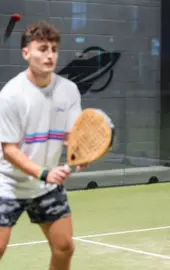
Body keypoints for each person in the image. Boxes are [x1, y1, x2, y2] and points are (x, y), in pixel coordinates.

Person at [0, 21, 86, 269]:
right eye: (42, 49)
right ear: (26, 53)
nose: (50, 55)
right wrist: (44, 173)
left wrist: (77, 153)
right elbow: (9, 150)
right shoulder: (11, 95)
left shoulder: (68, 90)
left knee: (64, 247)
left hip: (45, 187)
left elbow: (71, 136)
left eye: (54, 49)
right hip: (8, 185)